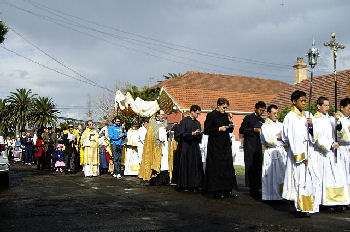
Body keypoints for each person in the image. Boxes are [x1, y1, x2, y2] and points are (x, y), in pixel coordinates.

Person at [282, 90, 320, 217]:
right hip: (298, 154)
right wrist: (301, 156)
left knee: (310, 180)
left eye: (305, 101)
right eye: (301, 101)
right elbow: (290, 138)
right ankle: (301, 208)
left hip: (309, 151)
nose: (304, 103)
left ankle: (309, 206)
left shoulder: (307, 115)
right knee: (300, 180)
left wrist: (311, 126)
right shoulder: (290, 117)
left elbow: (314, 136)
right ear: (294, 101)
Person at [313, 97, 348, 211]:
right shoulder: (315, 120)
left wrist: (338, 123)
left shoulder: (331, 119)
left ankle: (337, 201)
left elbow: (338, 132)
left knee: (336, 177)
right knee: (325, 178)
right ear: (319, 106)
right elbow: (316, 137)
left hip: (333, 153)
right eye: (325, 105)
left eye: (328, 105)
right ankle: (325, 202)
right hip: (323, 153)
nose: (327, 108)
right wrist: (330, 144)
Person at [204, 98, 237, 199]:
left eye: (226, 108)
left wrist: (231, 123)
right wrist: (218, 129)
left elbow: (230, 130)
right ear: (218, 105)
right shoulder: (211, 115)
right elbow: (206, 130)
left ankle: (227, 190)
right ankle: (217, 191)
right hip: (215, 146)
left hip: (225, 145)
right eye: (223, 107)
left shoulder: (225, 116)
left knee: (227, 168)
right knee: (216, 169)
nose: (225, 109)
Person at [239, 101, 266, 198]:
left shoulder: (263, 121)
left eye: (263, 111)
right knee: (250, 166)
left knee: (258, 166)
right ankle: (251, 187)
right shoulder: (248, 118)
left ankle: (257, 187)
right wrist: (253, 130)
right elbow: (241, 130)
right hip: (249, 146)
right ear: (255, 108)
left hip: (258, 146)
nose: (261, 112)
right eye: (260, 110)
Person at [260, 104, 287, 200]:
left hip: (281, 152)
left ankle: (280, 196)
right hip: (271, 153)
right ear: (268, 113)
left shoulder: (281, 125)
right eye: (274, 113)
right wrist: (278, 137)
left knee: (281, 174)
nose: (276, 115)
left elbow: (286, 139)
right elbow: (268, 140)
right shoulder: (265, 126)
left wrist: (281, 138)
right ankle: (270, 196)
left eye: (277, 113)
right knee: (271, 175)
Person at [176, 105, 204, 192]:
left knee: (195, 166)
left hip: (194, 146)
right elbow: (181, 134)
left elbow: (199, 137)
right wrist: (191, 134)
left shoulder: (197, 123)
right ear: (192, 112)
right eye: (197, 113)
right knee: (186, 165)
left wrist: (199, 134)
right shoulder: (184, 121)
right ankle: (184, 185)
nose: (198, 115)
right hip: (186, 147)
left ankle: (194, 184)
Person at [138, 110, 169, 185]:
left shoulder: (165, 123)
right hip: (153, 146)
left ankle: (161, 179)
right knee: (150, 160)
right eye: (161, 115)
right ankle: (149, 178)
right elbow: (150, 136)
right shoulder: (152, 124)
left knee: (163, 163)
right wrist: (158, 138)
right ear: (157, 115)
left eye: (164, 115)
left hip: (163, 146)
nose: (163, 116)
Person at [336, 97, 350, 209]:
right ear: (342, 107)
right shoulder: (338, 119)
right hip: (341, 150)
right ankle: (342, 200)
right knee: (342, 176)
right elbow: (339, 134)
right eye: (349, 108)